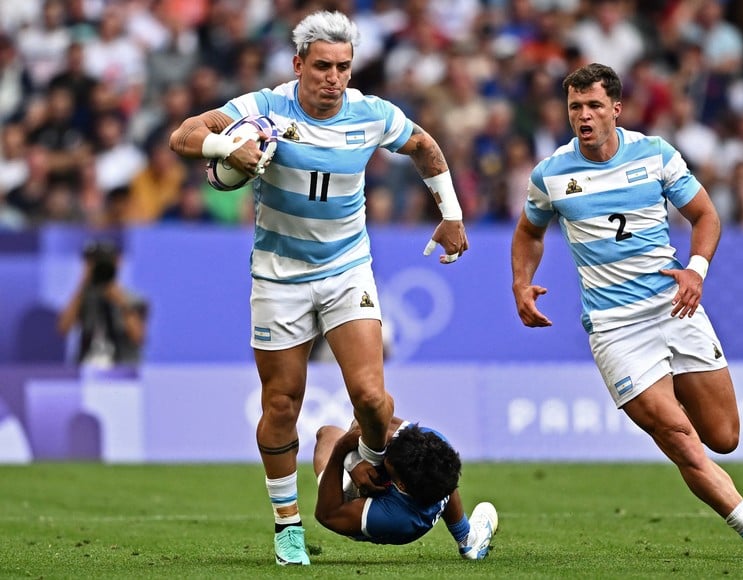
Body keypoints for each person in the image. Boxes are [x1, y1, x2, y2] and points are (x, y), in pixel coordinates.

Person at [168, 10, 469, 566]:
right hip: (279, 275)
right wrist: (225, 150)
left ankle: (368, 465)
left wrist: (450, 213)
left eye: (343, 67)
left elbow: (425, 145)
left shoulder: (371, 114)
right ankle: (287, 526)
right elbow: (183, 135)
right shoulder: (263, 108)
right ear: (298, 64)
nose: (334, 78)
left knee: (372, 398)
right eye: (323, 66)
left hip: (347, 270)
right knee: (281, 403)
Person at [510, 63, 743, 560]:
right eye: (575, 107)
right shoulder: (551, 174)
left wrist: (696, 270)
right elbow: (529, 232)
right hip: (615, 330)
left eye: (594, 105)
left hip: (674, 307)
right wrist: (521, 283)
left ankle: (667, 390)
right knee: (679, 438)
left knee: (723, 437)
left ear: (616, 109)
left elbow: (705, 215)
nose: (583, 115)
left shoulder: (656, 154)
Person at [313, 417, 497, 559]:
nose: (389, 448)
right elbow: (365, 421)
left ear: (400, 484)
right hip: (420, 487)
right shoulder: (431, 441)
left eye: (388, 458)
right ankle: (466, 537)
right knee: (441, 469)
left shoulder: (394, 518)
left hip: (366, 509)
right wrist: (355, 461)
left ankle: (465, 535)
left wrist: (343, 453)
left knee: (328, 433)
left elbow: (327, 515)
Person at [57, 239, 148, 369]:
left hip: (123, 368)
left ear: (118, 262)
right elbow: (63, 328)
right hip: (87, 367)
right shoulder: (83, 298)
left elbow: (138, 337)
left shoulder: (134, 299)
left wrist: (121, 302)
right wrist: (83, 285)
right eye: (93, 261)